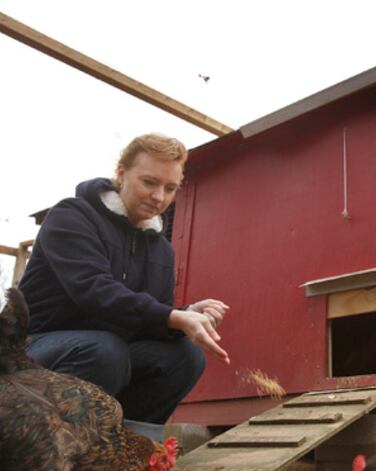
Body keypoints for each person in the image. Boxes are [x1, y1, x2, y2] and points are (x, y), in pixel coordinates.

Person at [18, 133, 230, 433]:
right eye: (149, 182)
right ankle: (47, 442)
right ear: (121, 174)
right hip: (34, 347)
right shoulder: (72, 216)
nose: (160, 197)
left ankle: (126, 448)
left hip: (105, 353)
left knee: (185, 356)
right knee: (104, 350)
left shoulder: (161, 250)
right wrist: (173, 316)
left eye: (170, 188)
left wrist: (185, 314)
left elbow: (147, 320)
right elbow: (94, 291)